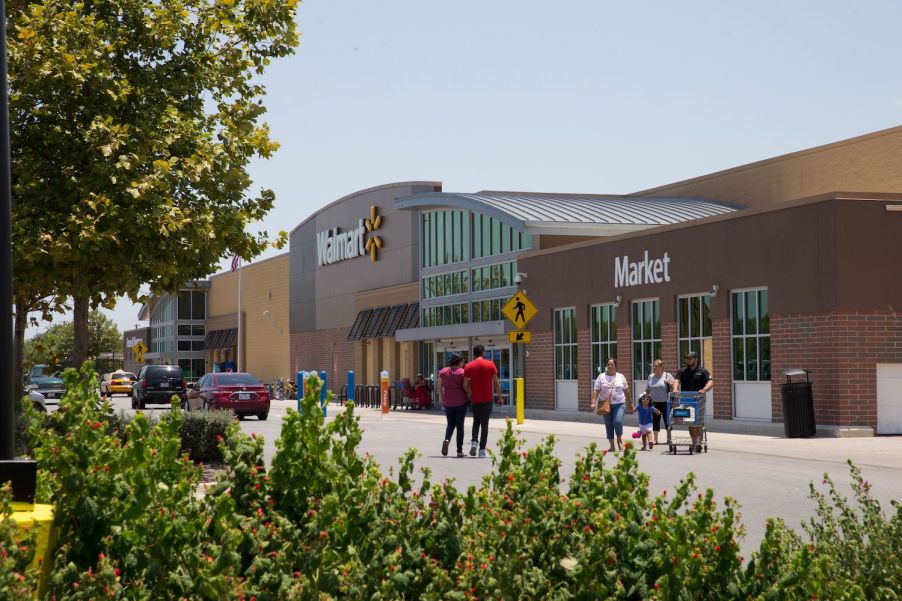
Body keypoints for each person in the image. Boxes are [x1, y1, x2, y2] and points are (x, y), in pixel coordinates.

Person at [463, 345, 502, 458]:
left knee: (476, 422)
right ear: (483, 353)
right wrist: (499, 397)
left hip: (475, 400)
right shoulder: (490, 364)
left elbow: (465, 385)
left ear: (474, 354)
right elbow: (496, 383)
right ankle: (482, 450)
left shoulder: (469, 366)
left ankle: (474, 442)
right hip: (487, 400)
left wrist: (470, 393)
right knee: (485, 425)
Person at [589, 357, 632, 452]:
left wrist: (630, 403)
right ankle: (612, 446)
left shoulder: (621, 377)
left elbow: (626, 390)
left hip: (619, 403)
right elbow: (596, 390)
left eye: (612, 364)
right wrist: (593, 402)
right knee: (608, 424)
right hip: (605, 404)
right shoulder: (601, 377)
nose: (610, 366)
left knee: (617, 421)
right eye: (608, 364)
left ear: (616, 366)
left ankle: (619, 438)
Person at [675, 351, 713, 452]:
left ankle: (699, 443)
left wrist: (704, 390)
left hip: (698, 400)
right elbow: (677, 380)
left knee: (698, 422)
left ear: (696, 359)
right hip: (686, 399)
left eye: (690, 358)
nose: (688, 360)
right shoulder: (682, 371)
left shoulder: (703, 371)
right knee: (690, 423)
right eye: (687, 358)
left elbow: (710, 381)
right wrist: (675, 389)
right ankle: (694, 442)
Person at [438, 354, 468, 458]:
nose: (463, 363)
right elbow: (465, 386)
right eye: (462, 361)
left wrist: (442, 400)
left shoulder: (444, 372)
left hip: (448, 401)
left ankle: (447, 439)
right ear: (459, 362)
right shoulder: (462, 372)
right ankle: (459, 451)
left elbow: (439, 387)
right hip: (460, 401)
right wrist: (469, 393)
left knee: (450, 424)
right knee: (460, 426)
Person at [646, 359, 676, 445]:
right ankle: (655, 440)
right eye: (654, 366)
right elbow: (648, 388)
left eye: (656, 366)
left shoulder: (667, 375)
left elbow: (675, 384)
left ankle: (669, 439)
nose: (654, 367)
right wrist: (645, 396)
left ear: (661, 367)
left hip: (666, 402)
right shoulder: (651, 377)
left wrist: (669, 382)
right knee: (655, 420)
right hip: (654, 402)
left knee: (667, 421)